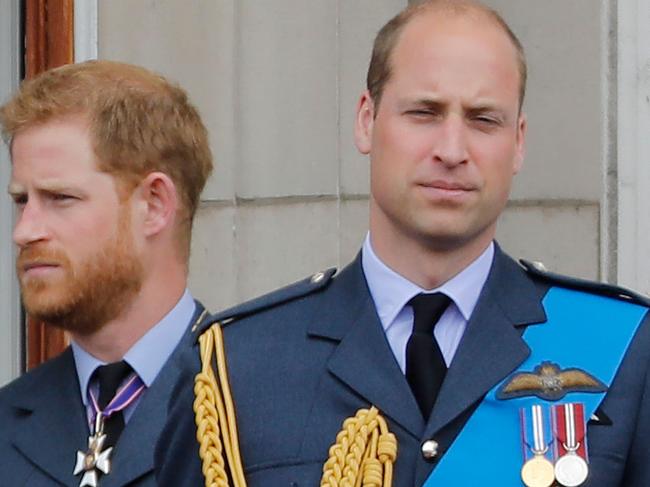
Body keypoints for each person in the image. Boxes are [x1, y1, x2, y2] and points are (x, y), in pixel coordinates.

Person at [155, 1, 650, 486]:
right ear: (367, 120)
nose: (452, 151)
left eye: (483, 119)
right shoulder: (238, 366)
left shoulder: (626, 353)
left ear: (518, 141)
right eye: (424, 112)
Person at [0, 60, 213, 487]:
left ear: (154, 205)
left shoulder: (257, 409)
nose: (24, 232)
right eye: (23, 201)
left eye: (60, 197)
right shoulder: (8, 423)